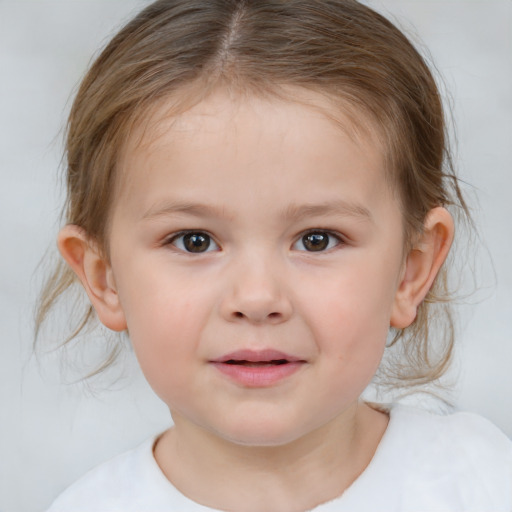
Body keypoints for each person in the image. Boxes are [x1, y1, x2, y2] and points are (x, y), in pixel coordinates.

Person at [38, 0, 512, 510]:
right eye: (194, 240)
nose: (258, 297)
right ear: (104, 277)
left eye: (317, 239)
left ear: (410, 270)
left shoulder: (481, 482)